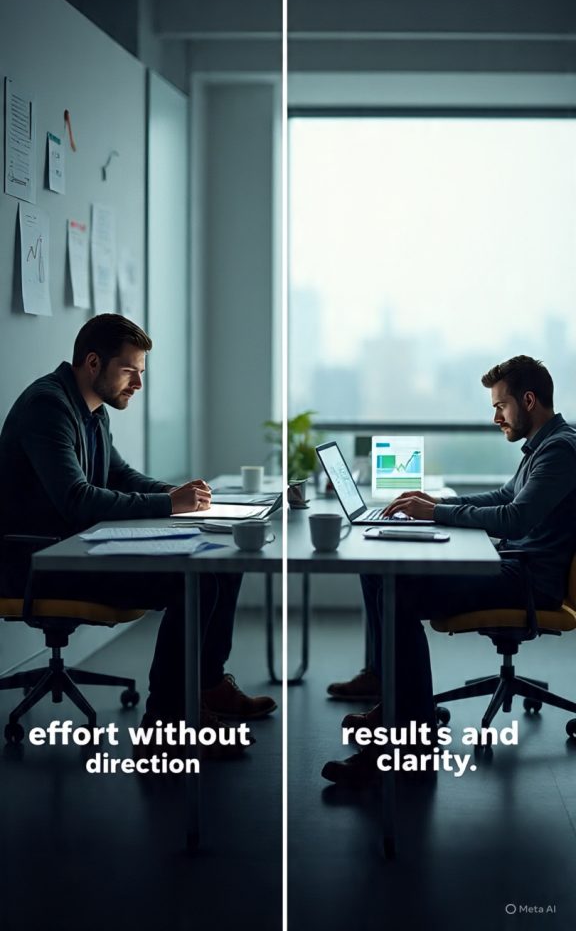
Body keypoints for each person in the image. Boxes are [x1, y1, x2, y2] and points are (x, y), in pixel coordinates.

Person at [0, 314, 276, 746]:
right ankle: (166, 726)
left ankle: (206, 689)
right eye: (130, 371)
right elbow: (77, 501)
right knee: (193, 583)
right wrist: (168, 504)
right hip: (41, 561)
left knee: (222, 563)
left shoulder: (90, 409)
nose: (138, 385)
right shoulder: (48, 407)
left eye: (140, 373)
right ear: (93, 363)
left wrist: (174, 492)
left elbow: (121, 475)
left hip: (77, 549)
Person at [322, 355, 576, 784]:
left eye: (500, 406)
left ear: (528, 400)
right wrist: (437, 505)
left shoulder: (561, 449)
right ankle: (397, 706)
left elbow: (515, 519)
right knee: (377, 571)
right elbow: (504, 496)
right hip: (516, 566)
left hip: (529, 581)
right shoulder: (545, 443)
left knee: (396, 591)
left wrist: (437, 513)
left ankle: (408, 738)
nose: (495, 417)